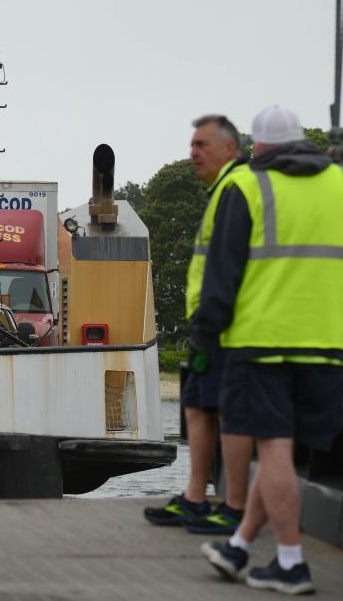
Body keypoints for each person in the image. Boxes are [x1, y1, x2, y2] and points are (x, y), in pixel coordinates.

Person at [194, 106, 343, 594]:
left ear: (255, 147)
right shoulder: (338, 183)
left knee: (272, 448)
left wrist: (206, 336)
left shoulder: (247, 188)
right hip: (327, 344)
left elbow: (223, 274)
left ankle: (291, 562)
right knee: (287, 454)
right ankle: (239, 545)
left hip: (261, 342)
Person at [144, 115, 253, 535]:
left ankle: (227, 503)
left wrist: (209, 326)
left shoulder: (234, 188)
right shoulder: (222, 190)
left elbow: (225, 267)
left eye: (201, 144)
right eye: (191, 145)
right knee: (198, 406)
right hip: (211, 325)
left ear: (230, 148)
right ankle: (197, 497)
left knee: (220, 410)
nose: (193, 153)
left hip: (224, 328)